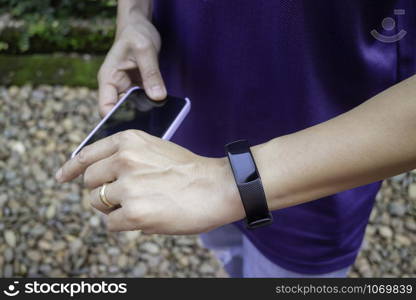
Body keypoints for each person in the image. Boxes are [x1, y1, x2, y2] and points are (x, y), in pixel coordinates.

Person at [55, 0, 416, 277]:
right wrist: (133, 16)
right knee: (229, 254)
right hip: (189, 128)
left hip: (319, 168)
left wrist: (227, 182)